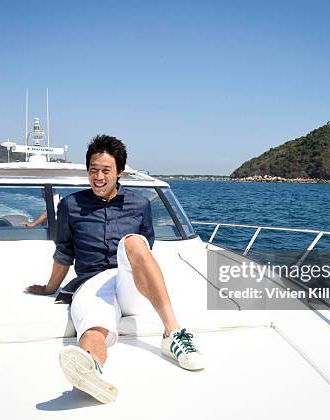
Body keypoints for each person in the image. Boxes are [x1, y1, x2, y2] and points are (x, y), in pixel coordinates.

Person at [25, 135, 204, 404]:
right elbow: (64, 252)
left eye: (105, 170)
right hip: (91, 284)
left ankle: (172, 333)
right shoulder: (71, 206)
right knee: (93, 329)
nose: (98, 176)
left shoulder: (140, 205)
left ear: (119, 172)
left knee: (133, 242)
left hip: (127, 281)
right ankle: (91, 367)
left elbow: (144, 251)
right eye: (93, 170)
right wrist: (50, 288)